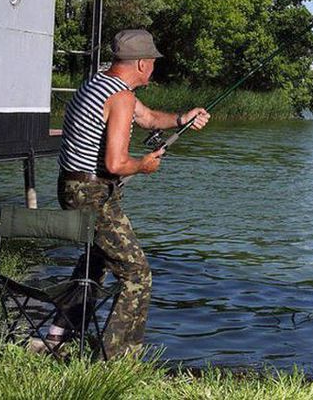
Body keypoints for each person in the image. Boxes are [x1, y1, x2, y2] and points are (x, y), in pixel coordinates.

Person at [43, 29, 210, 357]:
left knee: (96, 262)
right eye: (153, 62)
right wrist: (144, 165)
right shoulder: (120, 97)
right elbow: (116, 163)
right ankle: (118, 359)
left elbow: (147, 118)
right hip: (91, 194)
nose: (154, 67)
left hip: (71, 187)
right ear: (144, 64)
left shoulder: (97, 85)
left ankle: (57, 335)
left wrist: (181, 118)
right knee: (136, 272)